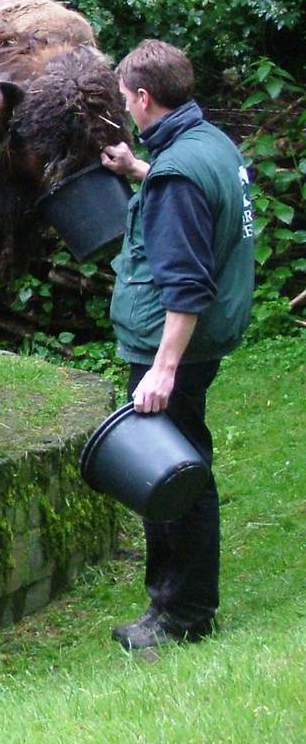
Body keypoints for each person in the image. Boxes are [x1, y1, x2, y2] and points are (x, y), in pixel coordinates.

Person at [100, 39, 255, 651]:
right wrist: (139, 173)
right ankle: (182, 604)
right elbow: (200, 206)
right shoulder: (210, 146)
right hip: (203, 344)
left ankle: (181, 615)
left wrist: (162, 370)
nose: (126, 112)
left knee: (173, 476)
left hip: (173, 352)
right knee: (183, 465)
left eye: (125, 101)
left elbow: (187, 285)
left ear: (143, 97)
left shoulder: (180, 174)